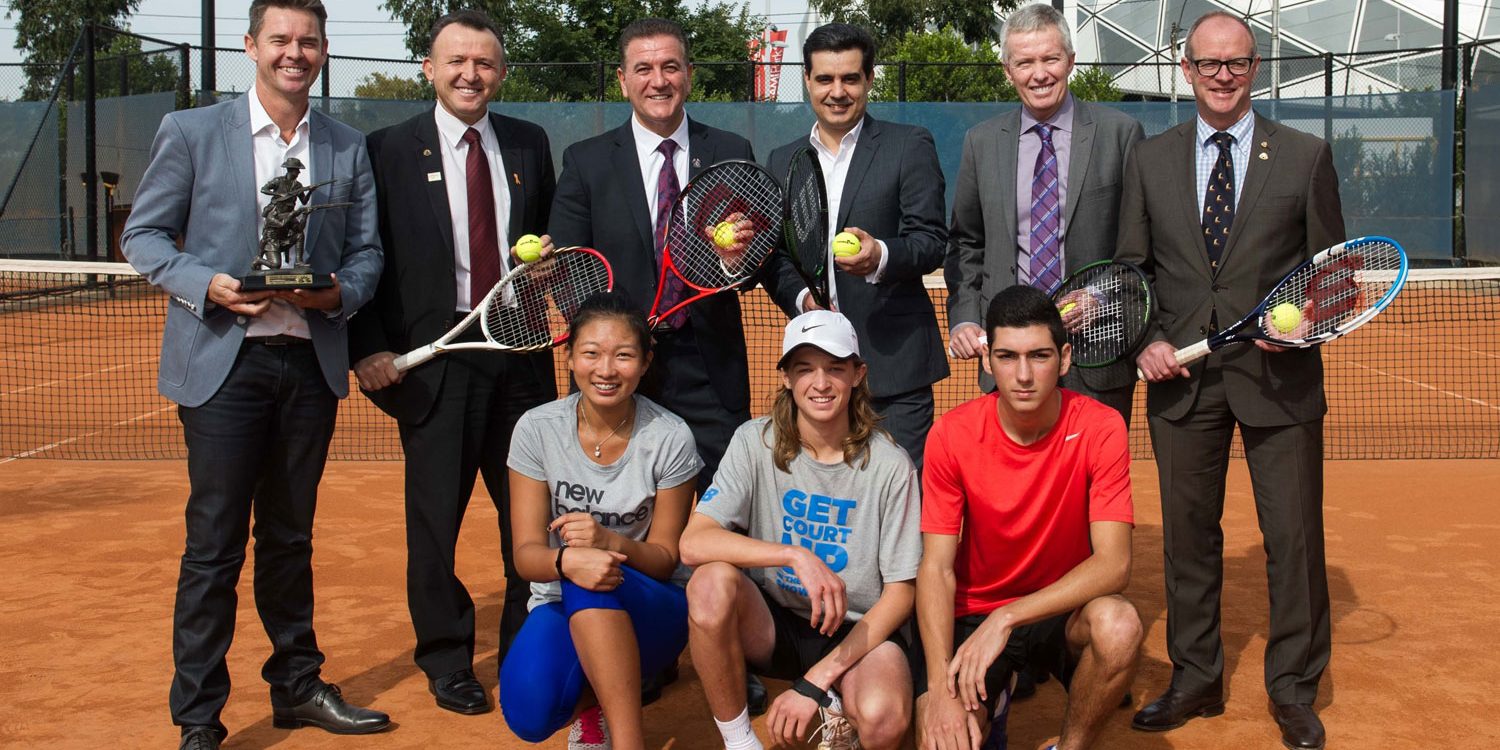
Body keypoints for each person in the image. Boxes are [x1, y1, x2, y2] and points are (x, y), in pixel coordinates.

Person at [119, 2, 388, 748]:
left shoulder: (347, 146)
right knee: (213, 545)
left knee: (291, 538)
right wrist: (207, 282)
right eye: (280, 40)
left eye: (307, 41)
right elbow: (142, 234)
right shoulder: (193, 132)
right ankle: (198, 717)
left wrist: (336, 292)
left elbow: (367, 253)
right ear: (251, 47)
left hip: (308, 362)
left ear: (324, 50)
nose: (293, 53)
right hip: (222, 368)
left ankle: (296, 686)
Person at [1116, 12, 1345, 750]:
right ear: (1186, 70)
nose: (1223, 75)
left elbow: (1334, 279)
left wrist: (1304, 325)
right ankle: (1196, 677)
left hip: (1280, 383)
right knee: (1188, 539)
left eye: (1237, 63)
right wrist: (1149, 340)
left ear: (1255, 68)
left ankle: (1293, 689)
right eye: (1209, 63)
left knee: (1293, 537)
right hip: (1184, 383)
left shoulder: (1306, 156)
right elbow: (1132, 273)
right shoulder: (1150, 160)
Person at [547, 15, 780, 713]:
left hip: (710, 368)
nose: (659, 80)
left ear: (689, 75)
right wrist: (619, 334)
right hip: (621, 375)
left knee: (720, 515)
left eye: (671, 67)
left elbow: (751, 252)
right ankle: (644, 653)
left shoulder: (730, 149)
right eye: (644, 69)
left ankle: (728, 647)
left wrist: (739, 261)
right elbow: (567, 266)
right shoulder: (586, 163)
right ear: (623, 79)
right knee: (629, 513)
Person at [349, 9, 556, 717]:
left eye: (486, 62)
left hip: (520, 364)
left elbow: (544, 249)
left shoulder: (529, 144)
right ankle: (446, 659)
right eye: (456, 62)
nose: (471, 74)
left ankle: (529, 651)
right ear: (429, 69)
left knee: (528, 523)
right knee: (434, 528)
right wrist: (368, 346)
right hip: (433, 372)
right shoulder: (385, 150)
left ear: (501, 72)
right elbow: (364, 258)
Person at [681, 310, 923, 750]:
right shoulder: (755, 441)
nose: (821, 383)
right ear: (788, 379)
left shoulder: (892, 467)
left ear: (858, 374)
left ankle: (836, 698)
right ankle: (740, 744)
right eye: (805, 369)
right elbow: (693, 542)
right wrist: (794, 555)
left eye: (835, 368)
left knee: (883, 720)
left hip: (859, 630)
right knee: (709, 583)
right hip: (776, 620)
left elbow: (901, 594)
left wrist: (816, 679)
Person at [915, 285, 1141, 750]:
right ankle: (992, 702)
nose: (1022, 375)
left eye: (1039, 356)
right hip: (975, 612)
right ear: (986, 361)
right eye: (1007, 356)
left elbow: (1114, 564)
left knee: (1119, 627)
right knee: (947, 740)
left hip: (1059, 609)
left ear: (1065, 358)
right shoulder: (950, 435)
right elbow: (936, 567)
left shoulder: (1102, 427)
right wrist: (939, 688)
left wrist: (1009, 617)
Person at [497, 293, 701, 749]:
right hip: (563, 598)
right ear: (568, 357)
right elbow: (527, 556)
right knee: (529, 716)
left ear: (646, 362)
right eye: (591, 353)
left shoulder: (670, 437)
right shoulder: (536, 428)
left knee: (590, 572)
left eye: (624, 355)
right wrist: (569, 560)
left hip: (652, 608)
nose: (606, 370)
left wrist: (608, 541)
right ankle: (594, 706)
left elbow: (667, 560)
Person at [946, 3, 1145, 423]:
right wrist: (965, 317)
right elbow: (967, 242)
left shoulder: (1120, 133)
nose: (1040, 74)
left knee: (1091, 484)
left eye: (1051, 58)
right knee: (1012, 485)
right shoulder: (981, 142)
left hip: (1096, 350)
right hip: (1007, 354)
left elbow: (1138, 244)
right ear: (1007, 70)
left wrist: (1099, 296)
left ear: (1070, 61)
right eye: (1025, 62)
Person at [763, 22, 948, 471]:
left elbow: (931, 241)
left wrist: (879, 256)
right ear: (807, 80)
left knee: (904, 499)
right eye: (825, 79)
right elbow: (777, 257)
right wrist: (804, 298)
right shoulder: (782, 159)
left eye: (850, 78)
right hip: (818, 372)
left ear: (868, 79)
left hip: (894, 365)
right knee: (833, 498)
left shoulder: (908, 145)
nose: (837, 91)